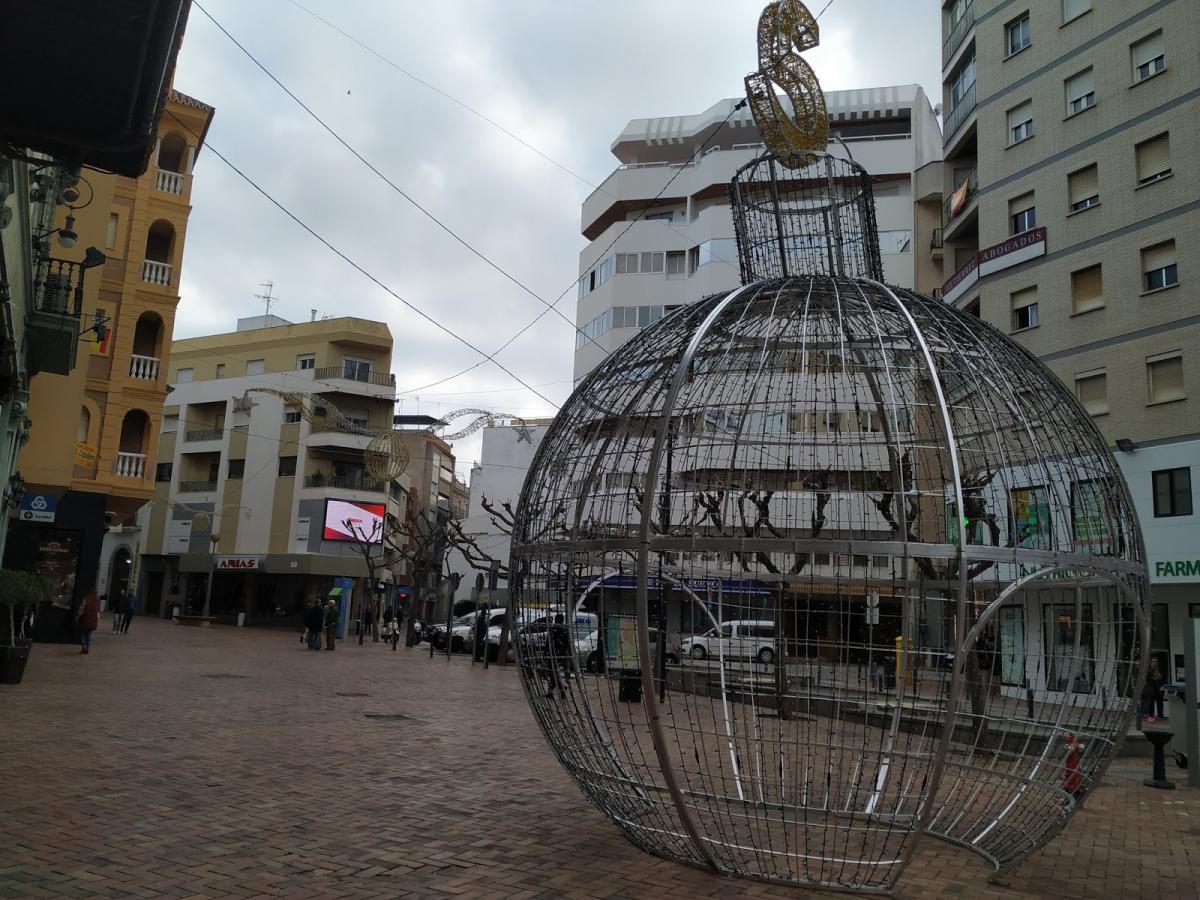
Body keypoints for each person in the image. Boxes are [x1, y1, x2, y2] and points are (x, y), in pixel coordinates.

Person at [76, 590, 101, 654]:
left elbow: (81, 609)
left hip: (85, 619)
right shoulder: (97, 600)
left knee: (83, 634)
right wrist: (97, 620)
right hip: (93, 620)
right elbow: (98, 612)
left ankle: (83, 648)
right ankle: (87, 647)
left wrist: (77, 616)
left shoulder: (86, 599)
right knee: (89, 634)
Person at [1141, 657, 1165, 722]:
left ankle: (1158, 715)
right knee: (1148, 703)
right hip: (1148, 690)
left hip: (1157, 689)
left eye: (1155, 661)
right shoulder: (1149, 669)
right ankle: (1147, 715)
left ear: (1158, 663)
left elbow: (1160, 677)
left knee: (1158, 703)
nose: (1154, 663)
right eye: (1153, 661)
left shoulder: (1159, 669)